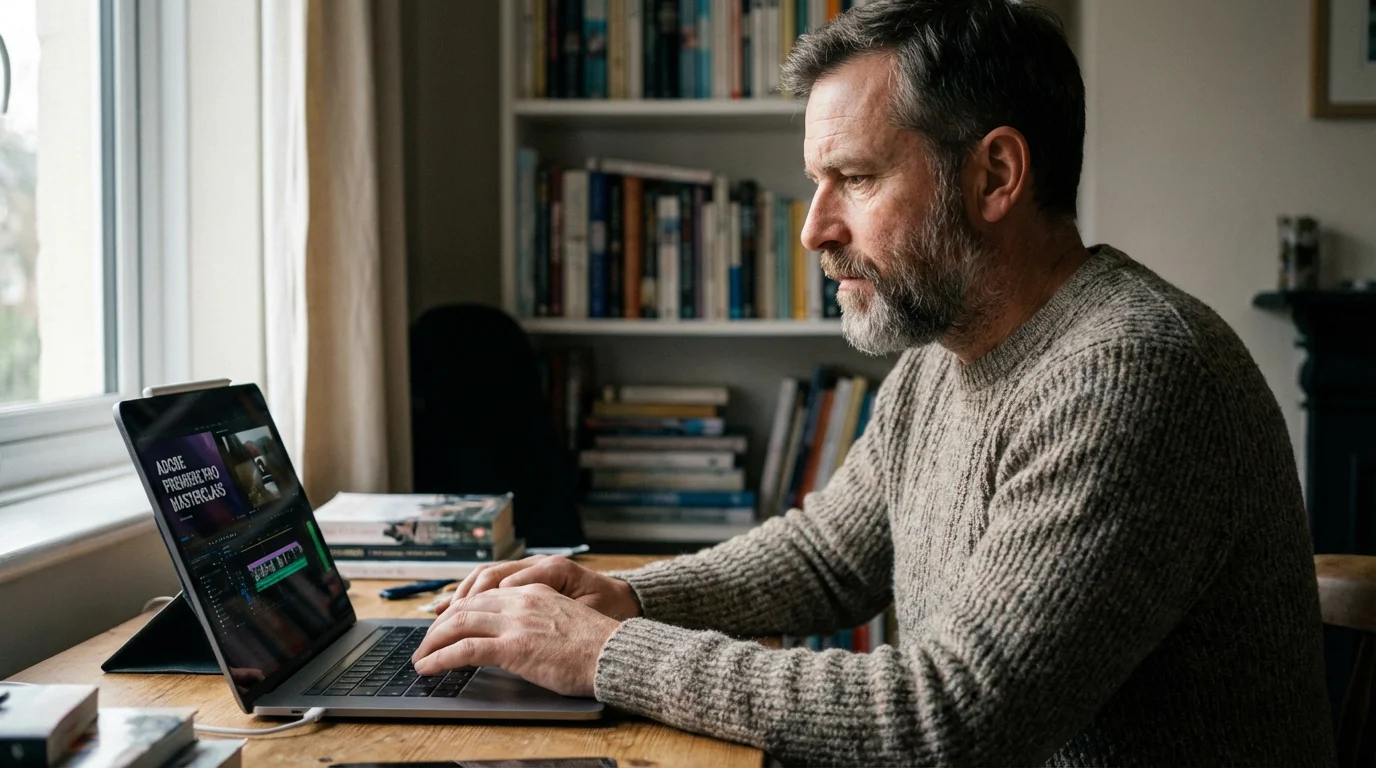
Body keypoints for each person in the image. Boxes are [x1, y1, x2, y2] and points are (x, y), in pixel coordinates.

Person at [412, 1, 1335, 764]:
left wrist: (610, 655)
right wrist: (629, 596)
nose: (813, 229)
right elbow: (826, 557)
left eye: (852, 178)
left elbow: (954, 716)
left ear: (996, 175)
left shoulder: (1130, 373)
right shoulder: (948, 351)